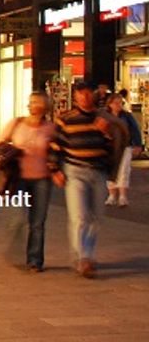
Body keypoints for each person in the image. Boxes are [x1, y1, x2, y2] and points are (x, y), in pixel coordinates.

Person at [48, 80, 120, 278]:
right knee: (79, 216)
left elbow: (114, 147)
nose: (85, 97)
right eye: (81, 94)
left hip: (98, 172)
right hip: (75, 171)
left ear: (94, 95)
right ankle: (83, 258)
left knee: (96, 217)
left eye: (88, 93)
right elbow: (55, 145)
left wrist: (106, 132)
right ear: (76, 96)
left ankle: (86, 254)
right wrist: (55, 170)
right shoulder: (66, 119)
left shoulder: (103, 118)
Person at [0, 91, 55, 272]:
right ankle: (15, 250)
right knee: (18, 217)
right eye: (30, 102)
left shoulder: (50, 128)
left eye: (34, 102)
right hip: (18, 178)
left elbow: (57, 150)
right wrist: (10, 151)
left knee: (37, 222)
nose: (30, 105)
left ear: (44, 106)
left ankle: (35, 260)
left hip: (42, 179)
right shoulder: (16, 123)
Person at [105, 92, 142, 207]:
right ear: (110, 104)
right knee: (110, 170)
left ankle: (122, 196)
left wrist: (138, 144)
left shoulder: (127, 116)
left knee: (124, 170)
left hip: (125, 146)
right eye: (116, 103)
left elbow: (135, 129)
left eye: (120, 103)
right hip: (109, 146)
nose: (118, 105)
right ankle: (111, 195)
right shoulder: (105, 116)